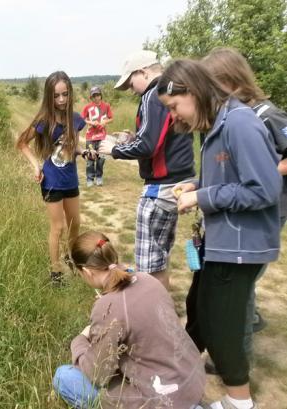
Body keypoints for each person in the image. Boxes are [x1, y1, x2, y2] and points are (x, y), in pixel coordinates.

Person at [157, 59, 281, 409]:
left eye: (174, 107)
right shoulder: (215, 125)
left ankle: (239, 401)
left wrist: (203, 196)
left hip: (241, 245)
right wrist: (194, 184)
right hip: (221, 241)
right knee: (200, 310)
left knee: (223, 327)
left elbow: (265, 189)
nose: (174, 116)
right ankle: (176, 375)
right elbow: (228, 178)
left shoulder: (239, 123)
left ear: (193, 92)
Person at [53, 230, 206, 409]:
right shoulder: (148, 279)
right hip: (192, 381)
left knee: (63, 376)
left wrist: (79, 341)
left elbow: (97, 373)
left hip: (164, 400)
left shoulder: (108, 306)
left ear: (86, 272)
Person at [202, 47, 287, 356]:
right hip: (244, 206)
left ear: (231, 80)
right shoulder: (233, 115)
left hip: (269, 206)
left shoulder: (266, 114)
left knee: (243, 285)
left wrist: (267, 169)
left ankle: (240, 353)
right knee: (241, 284)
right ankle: (243, 325)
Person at [99, 50, 195, 289]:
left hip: (160, 187)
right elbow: (158, 138)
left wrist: (115, 150)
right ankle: (161, 312)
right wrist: (131, 138)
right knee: (158, 259)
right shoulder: (170, 90)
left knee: (148, 264)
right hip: (176, 182)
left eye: (131, 83)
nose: (131, 90)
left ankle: (153, 316)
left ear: (143, 72)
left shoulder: (154, 94)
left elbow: (148, 145)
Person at [17, 71, 88, 284]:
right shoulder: (43, 121)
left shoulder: (75, 120)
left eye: (65, 94)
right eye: (56, 96)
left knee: (75, 223)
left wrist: (83, 152)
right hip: (51, 182)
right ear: (49, 96)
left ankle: (71, 258)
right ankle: (55, 272)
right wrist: (36, 166)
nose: (61, 100)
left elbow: (72, 147)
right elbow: (21, 143)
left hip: (70, 179)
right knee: (58, 227)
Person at [81, 86, 113, 187]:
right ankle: (90, 178)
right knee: (90, 158)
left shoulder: (106, 106)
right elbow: (83, 119)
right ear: (91, 97)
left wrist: (105, 122)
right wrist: (91, 122)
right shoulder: (87, 107)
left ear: (101, 95)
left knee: (101, 158)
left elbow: (111, 118)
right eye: (94, 96)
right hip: (90, 136)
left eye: (98, 95)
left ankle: (99, 176)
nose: (96, 97)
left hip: (102, 136)